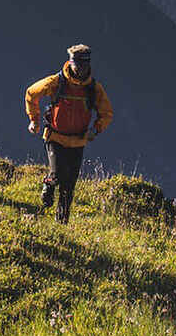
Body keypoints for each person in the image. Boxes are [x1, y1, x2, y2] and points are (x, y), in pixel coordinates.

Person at [25, 43, 112, 223]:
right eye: (77, 65)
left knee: (69, 186)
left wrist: (95, 130)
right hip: (54, 136)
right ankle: (49, 182)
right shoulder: (56, 83)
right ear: (70, 63)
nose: (80, 70)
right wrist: (34, 119)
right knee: (59, 174)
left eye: (84, 66)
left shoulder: (93, 89)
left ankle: (62, 222)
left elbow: (106, 113)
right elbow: (31, 93)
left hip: (78, 141)